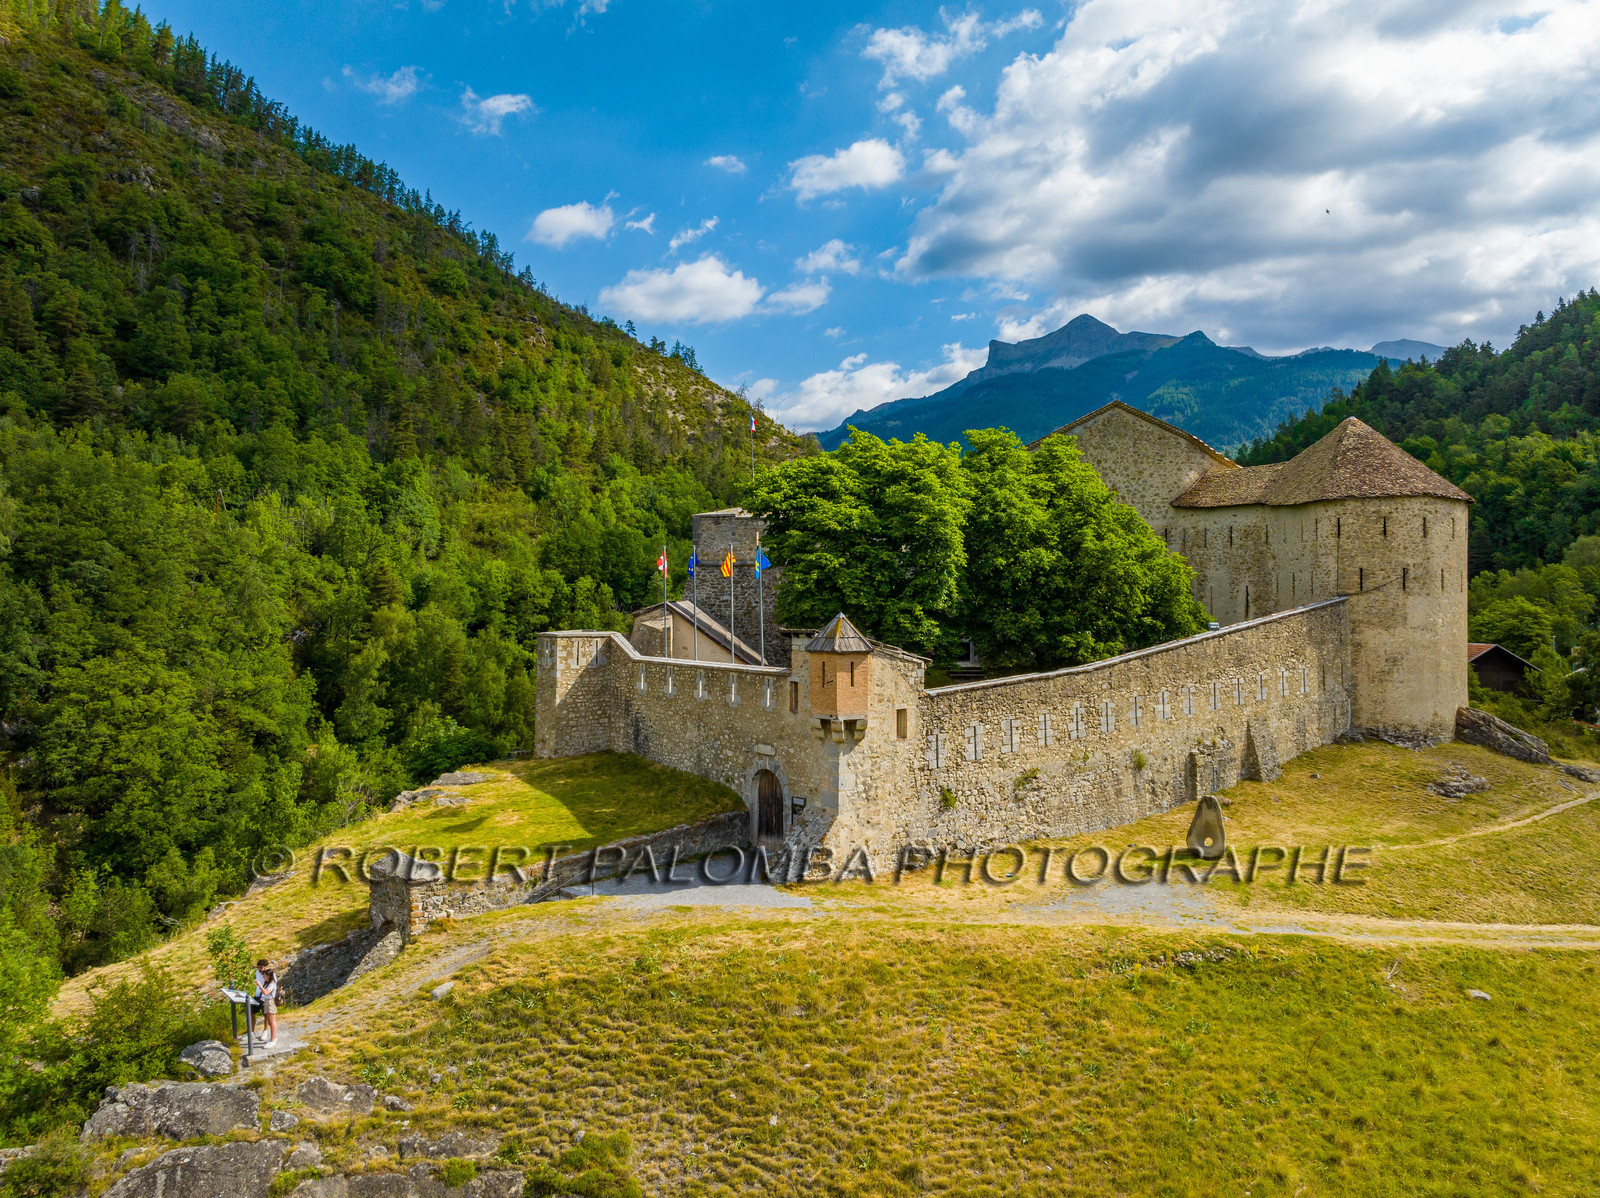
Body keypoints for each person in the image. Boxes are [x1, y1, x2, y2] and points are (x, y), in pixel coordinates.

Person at [253, 959, 279, 1047]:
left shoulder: (272, 983)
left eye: (264, 976)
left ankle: (272, 1040)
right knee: (270, 1020)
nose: (263, 977)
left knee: (272, 1022)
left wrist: (260, 986)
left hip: (269, 1001)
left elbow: (266, 992)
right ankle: (273, 1038)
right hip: (266, 1000)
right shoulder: (268, 982)